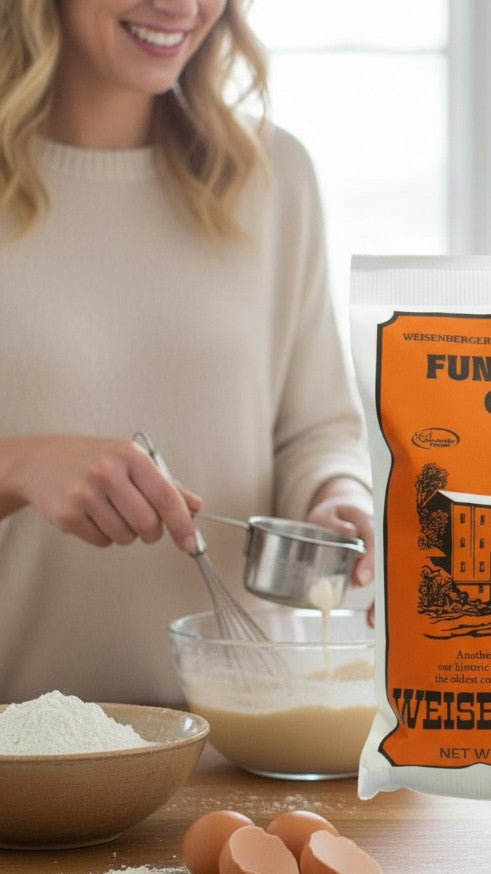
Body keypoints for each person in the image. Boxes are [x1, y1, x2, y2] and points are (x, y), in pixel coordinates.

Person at [0, 0, 374, 705]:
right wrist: (17, 467)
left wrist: (336, 496)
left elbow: (315, 432)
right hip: (16, 753)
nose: (182, 6)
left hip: (235, 743)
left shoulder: (272, 176)